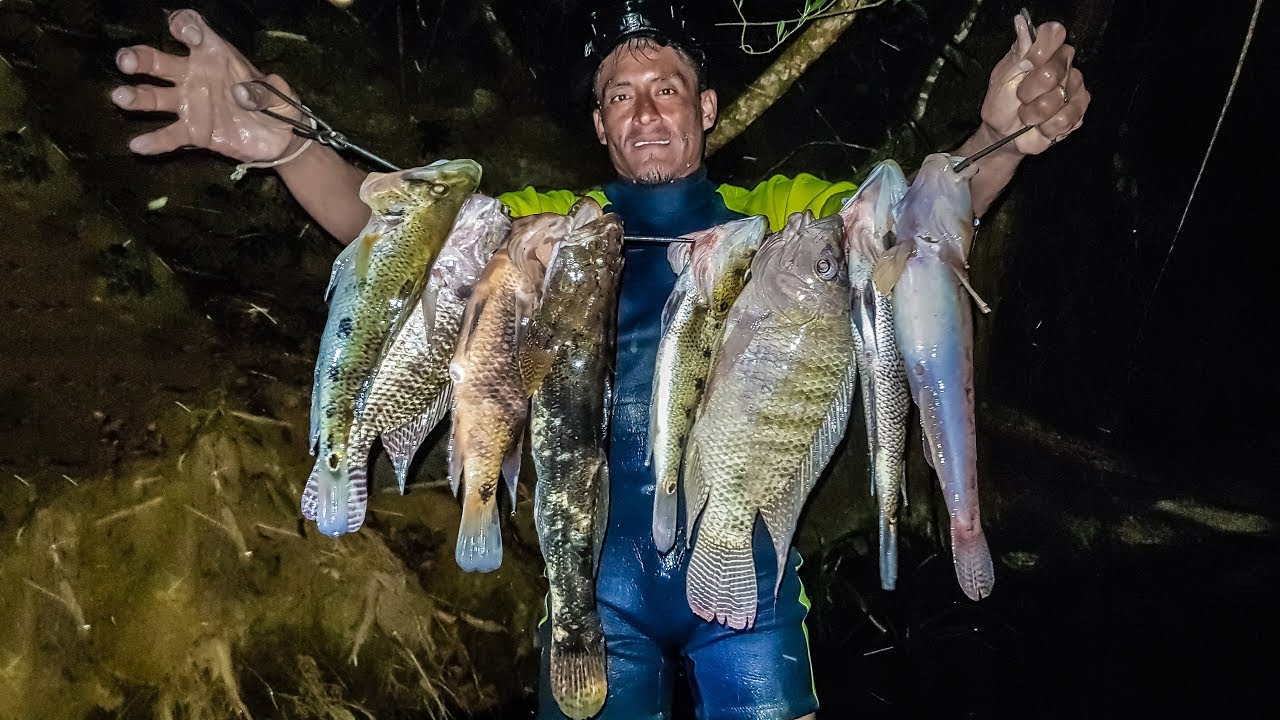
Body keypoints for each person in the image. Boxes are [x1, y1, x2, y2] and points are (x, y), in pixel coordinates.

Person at [111, 3, 1089, 718]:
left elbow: (916, 233)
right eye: (620, 97)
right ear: (598, 127)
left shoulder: (785, 213)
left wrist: (999, 137)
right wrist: (289, 149)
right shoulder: (554, 231)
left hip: (748, 571)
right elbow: (399, 234)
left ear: (704, 108)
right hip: (592, 586)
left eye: (664, 89)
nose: (645, 111)